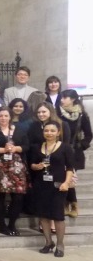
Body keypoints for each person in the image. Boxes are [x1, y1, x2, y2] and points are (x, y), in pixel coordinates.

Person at [30, 121, 75, 257]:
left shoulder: (65, 148)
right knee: (43, 215)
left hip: (58, 185)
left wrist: (67, 183)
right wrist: (36, 166)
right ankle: (48, 242)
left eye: (52, 131)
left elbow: (70, 168)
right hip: (41, 185)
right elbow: (31, 164)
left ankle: (60, 244)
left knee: (57, 216)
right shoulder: (37, 147)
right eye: (46, 131)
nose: (49, 133)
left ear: (58, 132)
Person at [0, 106, 29, 236]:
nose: (3, 118)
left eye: (6, 116)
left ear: (10, 117)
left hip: (17, 167)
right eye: (1, 116)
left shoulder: (19, 129)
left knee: (18, 197)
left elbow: (27, 146)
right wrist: (2, 150)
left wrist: (16, 148)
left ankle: (12, 224)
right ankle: (2, 224)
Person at [58, 90, 92, 218]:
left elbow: (88, 134)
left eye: (64, 97)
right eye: (61, 97)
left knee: (69, 176)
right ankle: (68, 204)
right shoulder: (58, 113)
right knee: (64, 176)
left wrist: (81, 145)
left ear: (72, 99)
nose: (62, 100)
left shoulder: (81, 115)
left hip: (74, 152)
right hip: (60, 149)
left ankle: (73, 204)